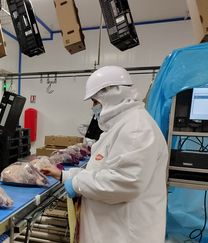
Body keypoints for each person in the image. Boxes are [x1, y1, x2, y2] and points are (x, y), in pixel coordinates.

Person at [42, 66, 168, 243]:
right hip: (113, 229)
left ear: (111, 95)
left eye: (95, 102)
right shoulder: (122, 126)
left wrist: (76, 183)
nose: (93, 108)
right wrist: (64, 175)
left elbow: (122, 183)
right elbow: (102, 171)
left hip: (126, 233)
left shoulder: (136, 128)